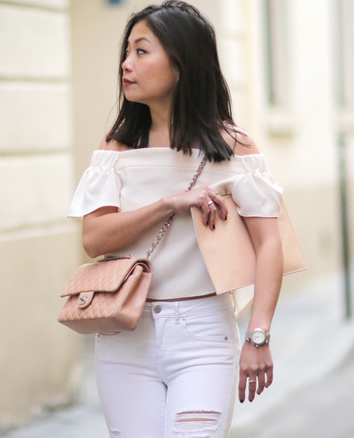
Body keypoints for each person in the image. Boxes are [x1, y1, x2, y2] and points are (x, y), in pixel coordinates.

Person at [67, 2, 284, 436]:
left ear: (182, 64)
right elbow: (94, 238)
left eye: (142, 51)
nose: (126, 65)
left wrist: (258, 335)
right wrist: (170, 203)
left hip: (203, 334)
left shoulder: (231, 147)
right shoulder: (117, 149)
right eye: (126, 52)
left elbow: (270, 244)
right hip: (124, 334)